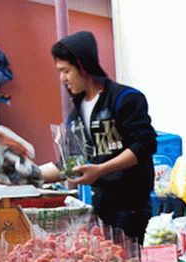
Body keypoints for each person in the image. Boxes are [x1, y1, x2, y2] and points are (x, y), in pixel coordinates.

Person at [41, 31, 157, 242]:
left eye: (66, 70)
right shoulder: (76, 114)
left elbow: (144, 145)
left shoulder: (125, 99)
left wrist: (101, 170)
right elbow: (66, 164)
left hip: (131, 210)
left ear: (82, 65)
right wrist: (24, 176)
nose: (62, 78)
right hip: (101, 207)